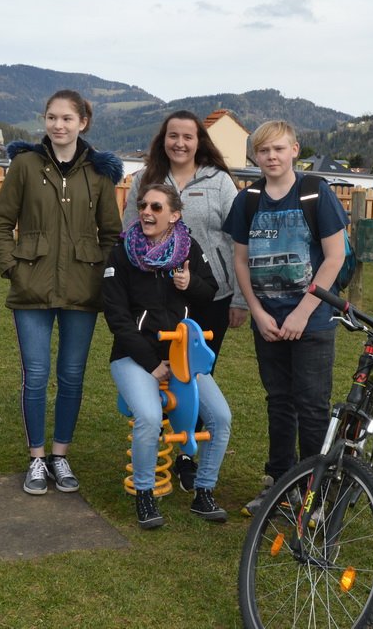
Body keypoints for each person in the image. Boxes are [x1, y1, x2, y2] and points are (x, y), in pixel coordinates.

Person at [0, 89, 123, 496]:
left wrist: (99, 274)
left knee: (71, 375)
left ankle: (60, 455)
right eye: (51, 117)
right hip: (31, 288)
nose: (58, 125)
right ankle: (36, 457)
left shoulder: (99, 173)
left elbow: (111, 234)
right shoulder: (25, 165)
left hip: (82, 290)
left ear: (83, 122)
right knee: (35, 376)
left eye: (66, 118)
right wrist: (13, 269)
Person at [221, 120, 348, 516]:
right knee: (279, 403)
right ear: (254, 156)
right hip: (270, 322)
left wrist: (303, 312)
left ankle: (315, 494)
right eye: (263, 151)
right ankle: (278, 484)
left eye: (278, 149)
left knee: (311, 406)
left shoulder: (315, 193)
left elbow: (335, 257)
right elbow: (240, 261)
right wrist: (258, 313)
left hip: (312, 321)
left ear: (295, 150)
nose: (271, 157)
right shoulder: (248, 200)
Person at [121, 110, 246, 491]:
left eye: (187, 137)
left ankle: (187, 456)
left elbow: (239, 240)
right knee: (158, 372)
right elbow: (129, 234)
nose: (179, 143)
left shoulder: (219, 181)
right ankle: (154, 445)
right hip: (158, 300)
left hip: (211, 296)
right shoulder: (146, 179)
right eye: (172, 136)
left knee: (196, 377)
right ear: (163, 140)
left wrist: (240, 298)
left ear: (199, 141)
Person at [103, 183, 233, 529]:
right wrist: (151, 363)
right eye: (144, 206)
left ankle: (204, 491)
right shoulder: (122, 253)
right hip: (134, 356)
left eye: (156, 207)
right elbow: (116, 317)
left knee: (221, 417)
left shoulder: (189, 248)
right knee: (148, 417)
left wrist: (191, 283)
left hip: (180, 356)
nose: (146, 212)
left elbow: (210, 292)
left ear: (174, 215)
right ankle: (145, 494)